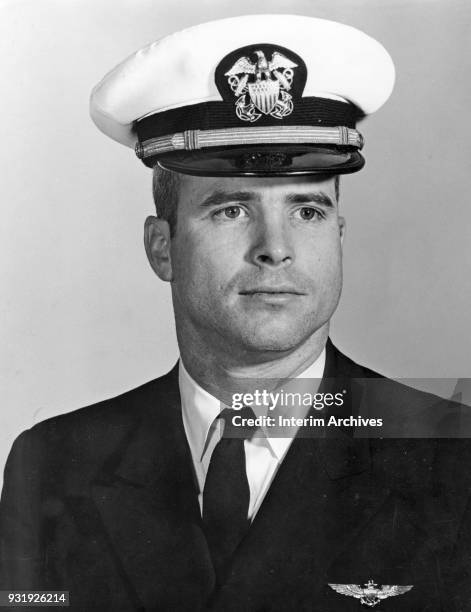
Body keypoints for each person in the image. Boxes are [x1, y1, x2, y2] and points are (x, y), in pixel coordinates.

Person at [1, 14, 470, 611]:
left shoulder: (451, 459)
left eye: (308, 211)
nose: (275, 247)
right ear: (161, 247)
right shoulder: (54, 462)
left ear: (340, 234)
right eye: (231, 210)